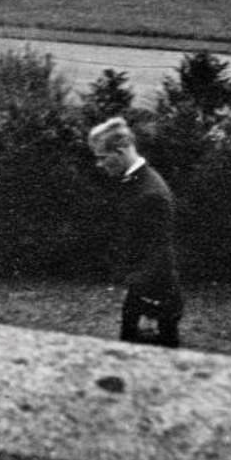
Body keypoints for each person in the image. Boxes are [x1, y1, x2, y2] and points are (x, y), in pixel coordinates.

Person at [88, 116, 183, 348]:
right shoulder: (134, 182)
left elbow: (157, 250)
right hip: (142, 287)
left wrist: (147, 305)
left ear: (120, 151)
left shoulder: (150, 192)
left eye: (102, 158)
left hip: (154, 293)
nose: (99, 165)